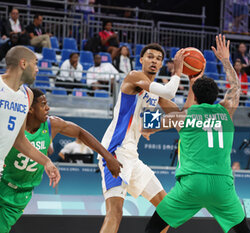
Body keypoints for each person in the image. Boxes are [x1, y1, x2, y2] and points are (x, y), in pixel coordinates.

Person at [143, 34, 250, 233]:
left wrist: (147, 128)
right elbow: (236, 88)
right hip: (222, 184)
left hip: (193, 184)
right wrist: (225, 60)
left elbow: (148, 125)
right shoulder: (226, 111)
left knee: (153, 229)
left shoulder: (183, 116)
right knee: (244, 231)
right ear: (216, 96)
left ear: (196, 96)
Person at [98, 43, 196, 233]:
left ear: (160, 65)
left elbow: (182, 118)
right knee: (115, 213)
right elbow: (169, 91)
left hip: (132, 156)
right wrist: (178, 71)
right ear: (141, 60)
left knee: (167, 210)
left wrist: (192, 83)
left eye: (159, 59)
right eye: (150, 56)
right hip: (115, 150)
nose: (154, 61)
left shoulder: (155, 93)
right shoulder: (134, 76)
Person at [0, 88, 122, 232]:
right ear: (31, 109)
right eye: (43, 104)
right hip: (3, 182)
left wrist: (107, 156)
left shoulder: (52, 125)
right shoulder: (11, 124)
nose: (48, 108)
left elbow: (80, 132)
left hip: (21, 194)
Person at [0, 45, 60, 190]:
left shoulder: (27, 95)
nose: (37, 69)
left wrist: (46, 161)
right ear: (23, 63)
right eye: (35, 64)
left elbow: (19, 139)